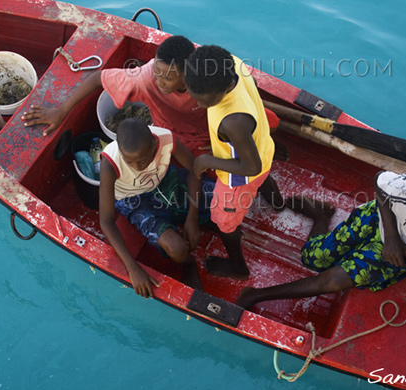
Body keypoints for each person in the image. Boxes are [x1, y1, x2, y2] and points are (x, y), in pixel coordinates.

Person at [235, 170, 406, 308]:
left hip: (405, 254)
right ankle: (322, 215)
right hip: (381, 219)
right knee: (312, 258)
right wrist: (391, 236)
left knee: (334, 280)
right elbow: (379, 182)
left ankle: (256, 296)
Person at [184, 44, 284, 281]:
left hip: (240, 177)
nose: (197, 104)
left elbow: (251, 167)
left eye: (204, 101)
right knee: (262, 178)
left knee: (224, 221)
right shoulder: (234, 63)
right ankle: (278, 204)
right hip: (262, 146)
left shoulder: (233, 123)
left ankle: (238, 267)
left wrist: (208, 159)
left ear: (224, 89)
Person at [21, 35, 210, 156]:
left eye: (168, 78)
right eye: (157, 72)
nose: (159, 81)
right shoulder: (145, 77)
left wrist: (223, 142)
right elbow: (97, 78)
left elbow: (232, 108)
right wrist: (61, 110)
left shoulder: (208, 83)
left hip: (206, 140)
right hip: (167, 135)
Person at [99, 118, 213, 298]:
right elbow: (105, 220)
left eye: (143, 160)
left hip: (163, 180)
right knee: (176, 248)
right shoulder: (109, 163)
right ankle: (189, 264)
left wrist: (192, 217)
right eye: (130, 162)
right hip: (132, 199)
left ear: (154, 145)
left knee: (223, 200)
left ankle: (193, 218)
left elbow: (194, 170)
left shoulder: (166, 139)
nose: (137, 167)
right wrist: (132, 268)